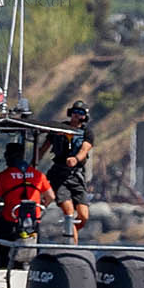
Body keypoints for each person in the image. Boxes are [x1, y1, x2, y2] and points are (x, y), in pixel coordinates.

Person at [0, 141, 54, 264]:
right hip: (32, 220)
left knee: (3, 247)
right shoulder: (38, 175)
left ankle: (2, 267)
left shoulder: (3, 176)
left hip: (10, 219)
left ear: (8, 156)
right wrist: (41, 207)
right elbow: (51, 196)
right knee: (31, 248)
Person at [46, 101, 93, 245]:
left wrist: (76, 159)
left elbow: (85, 149)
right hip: (58, 175)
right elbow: (43, 147)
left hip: (76, 175)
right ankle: (72, 245)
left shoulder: (87, 132)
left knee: (83, 216)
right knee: (69, 213)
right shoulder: (59, 129)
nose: (76, 116)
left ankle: (70, 233)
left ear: (85, 116)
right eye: (74, 112)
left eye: (80, 114)